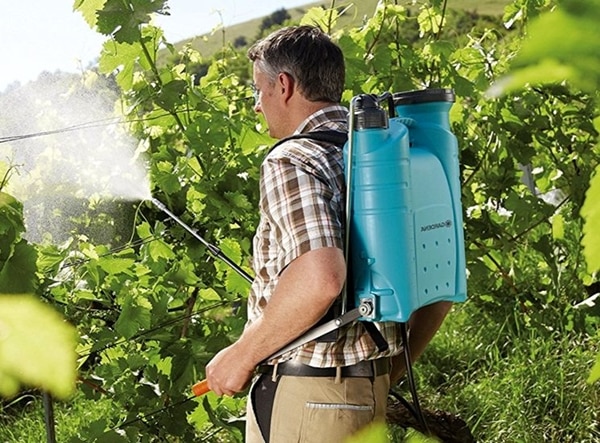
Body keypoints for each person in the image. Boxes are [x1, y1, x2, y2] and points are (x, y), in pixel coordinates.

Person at [204, 25, 452, 443]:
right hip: (367, 392)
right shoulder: (389, 155)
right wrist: (386, 371)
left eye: (257, 91)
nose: (256, 107)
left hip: (308, 398)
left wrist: (240, 356)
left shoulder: (294, 159)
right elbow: (441, 281)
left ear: (283, 86)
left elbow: (321, 278)